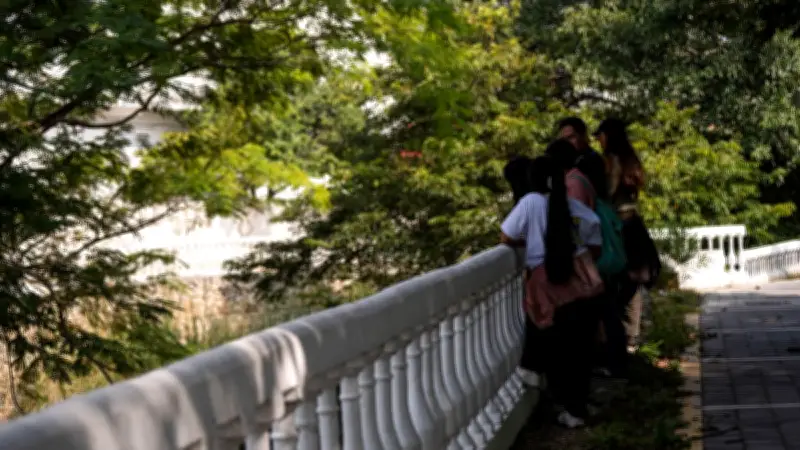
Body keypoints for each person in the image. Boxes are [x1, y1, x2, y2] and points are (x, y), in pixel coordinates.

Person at [500, 151, 604, 428]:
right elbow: (595, 238)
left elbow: (507, 236)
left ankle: (542, 381)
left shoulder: (530, 201)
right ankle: (576, 410)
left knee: (555, 348)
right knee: (578, 352)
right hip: (580, 287)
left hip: (547, 288)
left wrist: (532, 242)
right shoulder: (572, 206)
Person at [594, 119, 661, 353]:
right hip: (633, 221)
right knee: (634, 281)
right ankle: (632, 337)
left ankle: (619, 338)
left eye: (599, 135)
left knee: (618, 279)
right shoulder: (632, 159)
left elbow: (609, 193)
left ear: (608, 136)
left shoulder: (612, 160)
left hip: (620, 226)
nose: (597, 140)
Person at [558, 117, 608, 199]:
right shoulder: (569, 161)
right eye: (564, 139)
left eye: (571, 137)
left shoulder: (593, 160)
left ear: (583, 136)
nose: (567, 143)